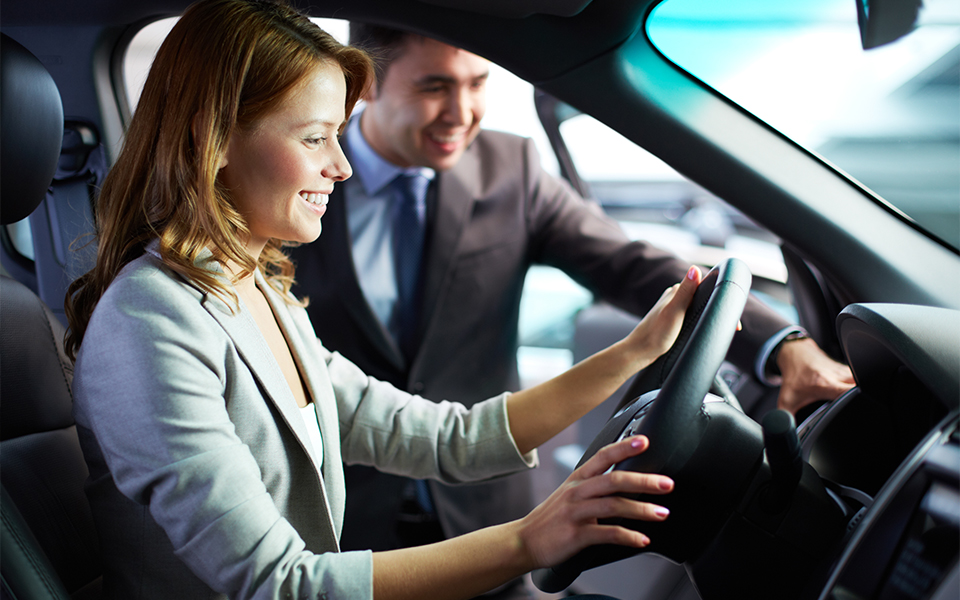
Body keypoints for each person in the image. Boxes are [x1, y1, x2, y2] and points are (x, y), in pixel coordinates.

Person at [64, 1, 703, 598]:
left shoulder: (258, 291)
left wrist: (635, 353)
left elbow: (449, 440)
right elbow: (279, 584)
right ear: (216, 140)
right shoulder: (148, 322)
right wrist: (528, 539)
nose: (341, 166)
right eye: (315, 139)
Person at [286, 23, 857, 598]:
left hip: (489, 513)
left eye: (478, 84)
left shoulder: (512, 169)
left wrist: (781, 343)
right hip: (343, 524)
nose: (462, 111)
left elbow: (632, 263)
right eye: (435, 87)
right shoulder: (294, 188)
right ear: (369, 84)